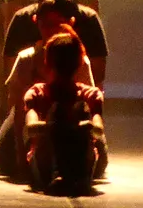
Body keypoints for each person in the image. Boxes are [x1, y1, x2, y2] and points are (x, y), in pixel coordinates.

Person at [20, 31, 105, 193]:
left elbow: (98, 129)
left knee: (80, 109)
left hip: (80, 161)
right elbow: (30, 128)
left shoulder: (89, 95)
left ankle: (74, 177)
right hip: (45, 165)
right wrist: (61, 127)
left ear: (47, 62)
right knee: (57, 110)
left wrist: (84, 127)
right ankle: (58, 174)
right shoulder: (37, 92)